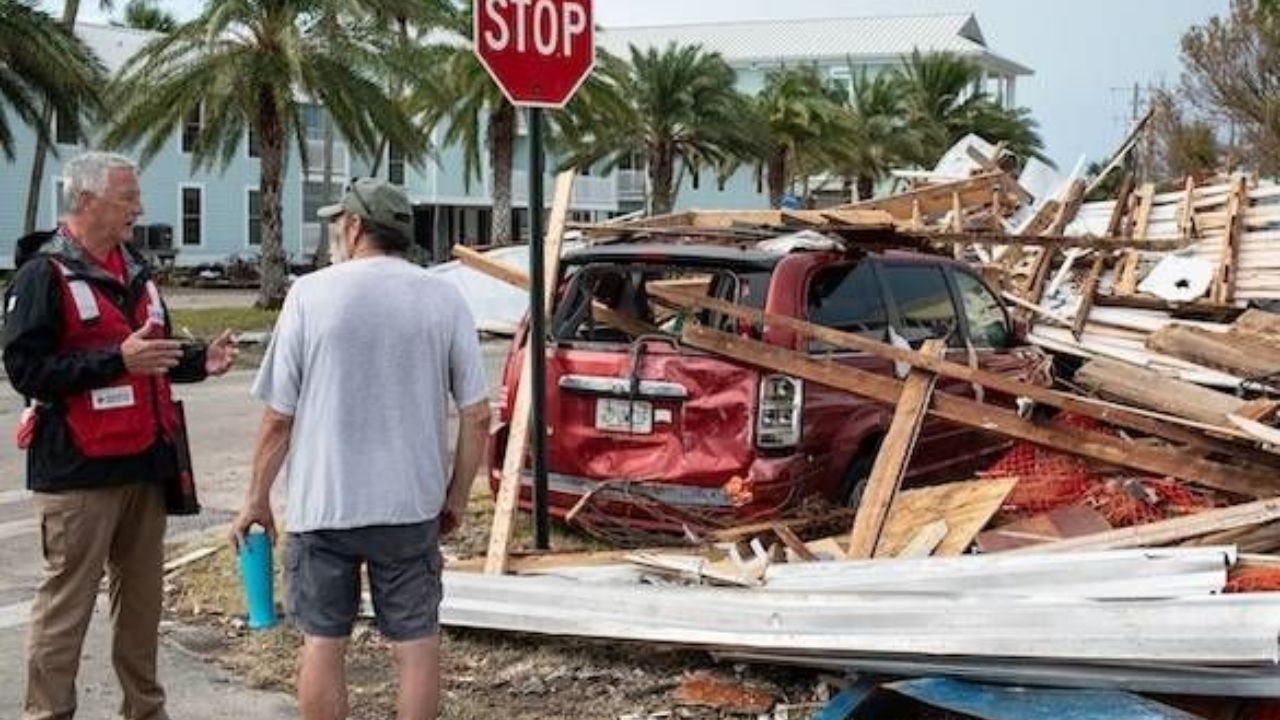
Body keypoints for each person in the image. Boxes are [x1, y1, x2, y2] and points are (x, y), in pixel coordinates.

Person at [230, 178, 491, 720]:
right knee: (416, 643)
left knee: (324, 642)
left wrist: (257, 498)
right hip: (409, 506)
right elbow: (478, 414)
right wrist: (457, 497)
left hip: (325, 507)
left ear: (353, 228)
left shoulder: (310, 294)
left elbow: (280, 418)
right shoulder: (443, 296)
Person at [4, 151, 238, 720]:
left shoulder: (135, 268)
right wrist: (115, 362)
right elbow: (25, 371)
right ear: (86, 202)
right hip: (78, 473)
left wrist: (197, 360)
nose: (139, 207)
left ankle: (145, 711)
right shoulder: (43, 273)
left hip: (145, 466)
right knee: (67, 606)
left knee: (141, 607)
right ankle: (48, 713)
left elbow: (150, 353)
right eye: (127, 197)